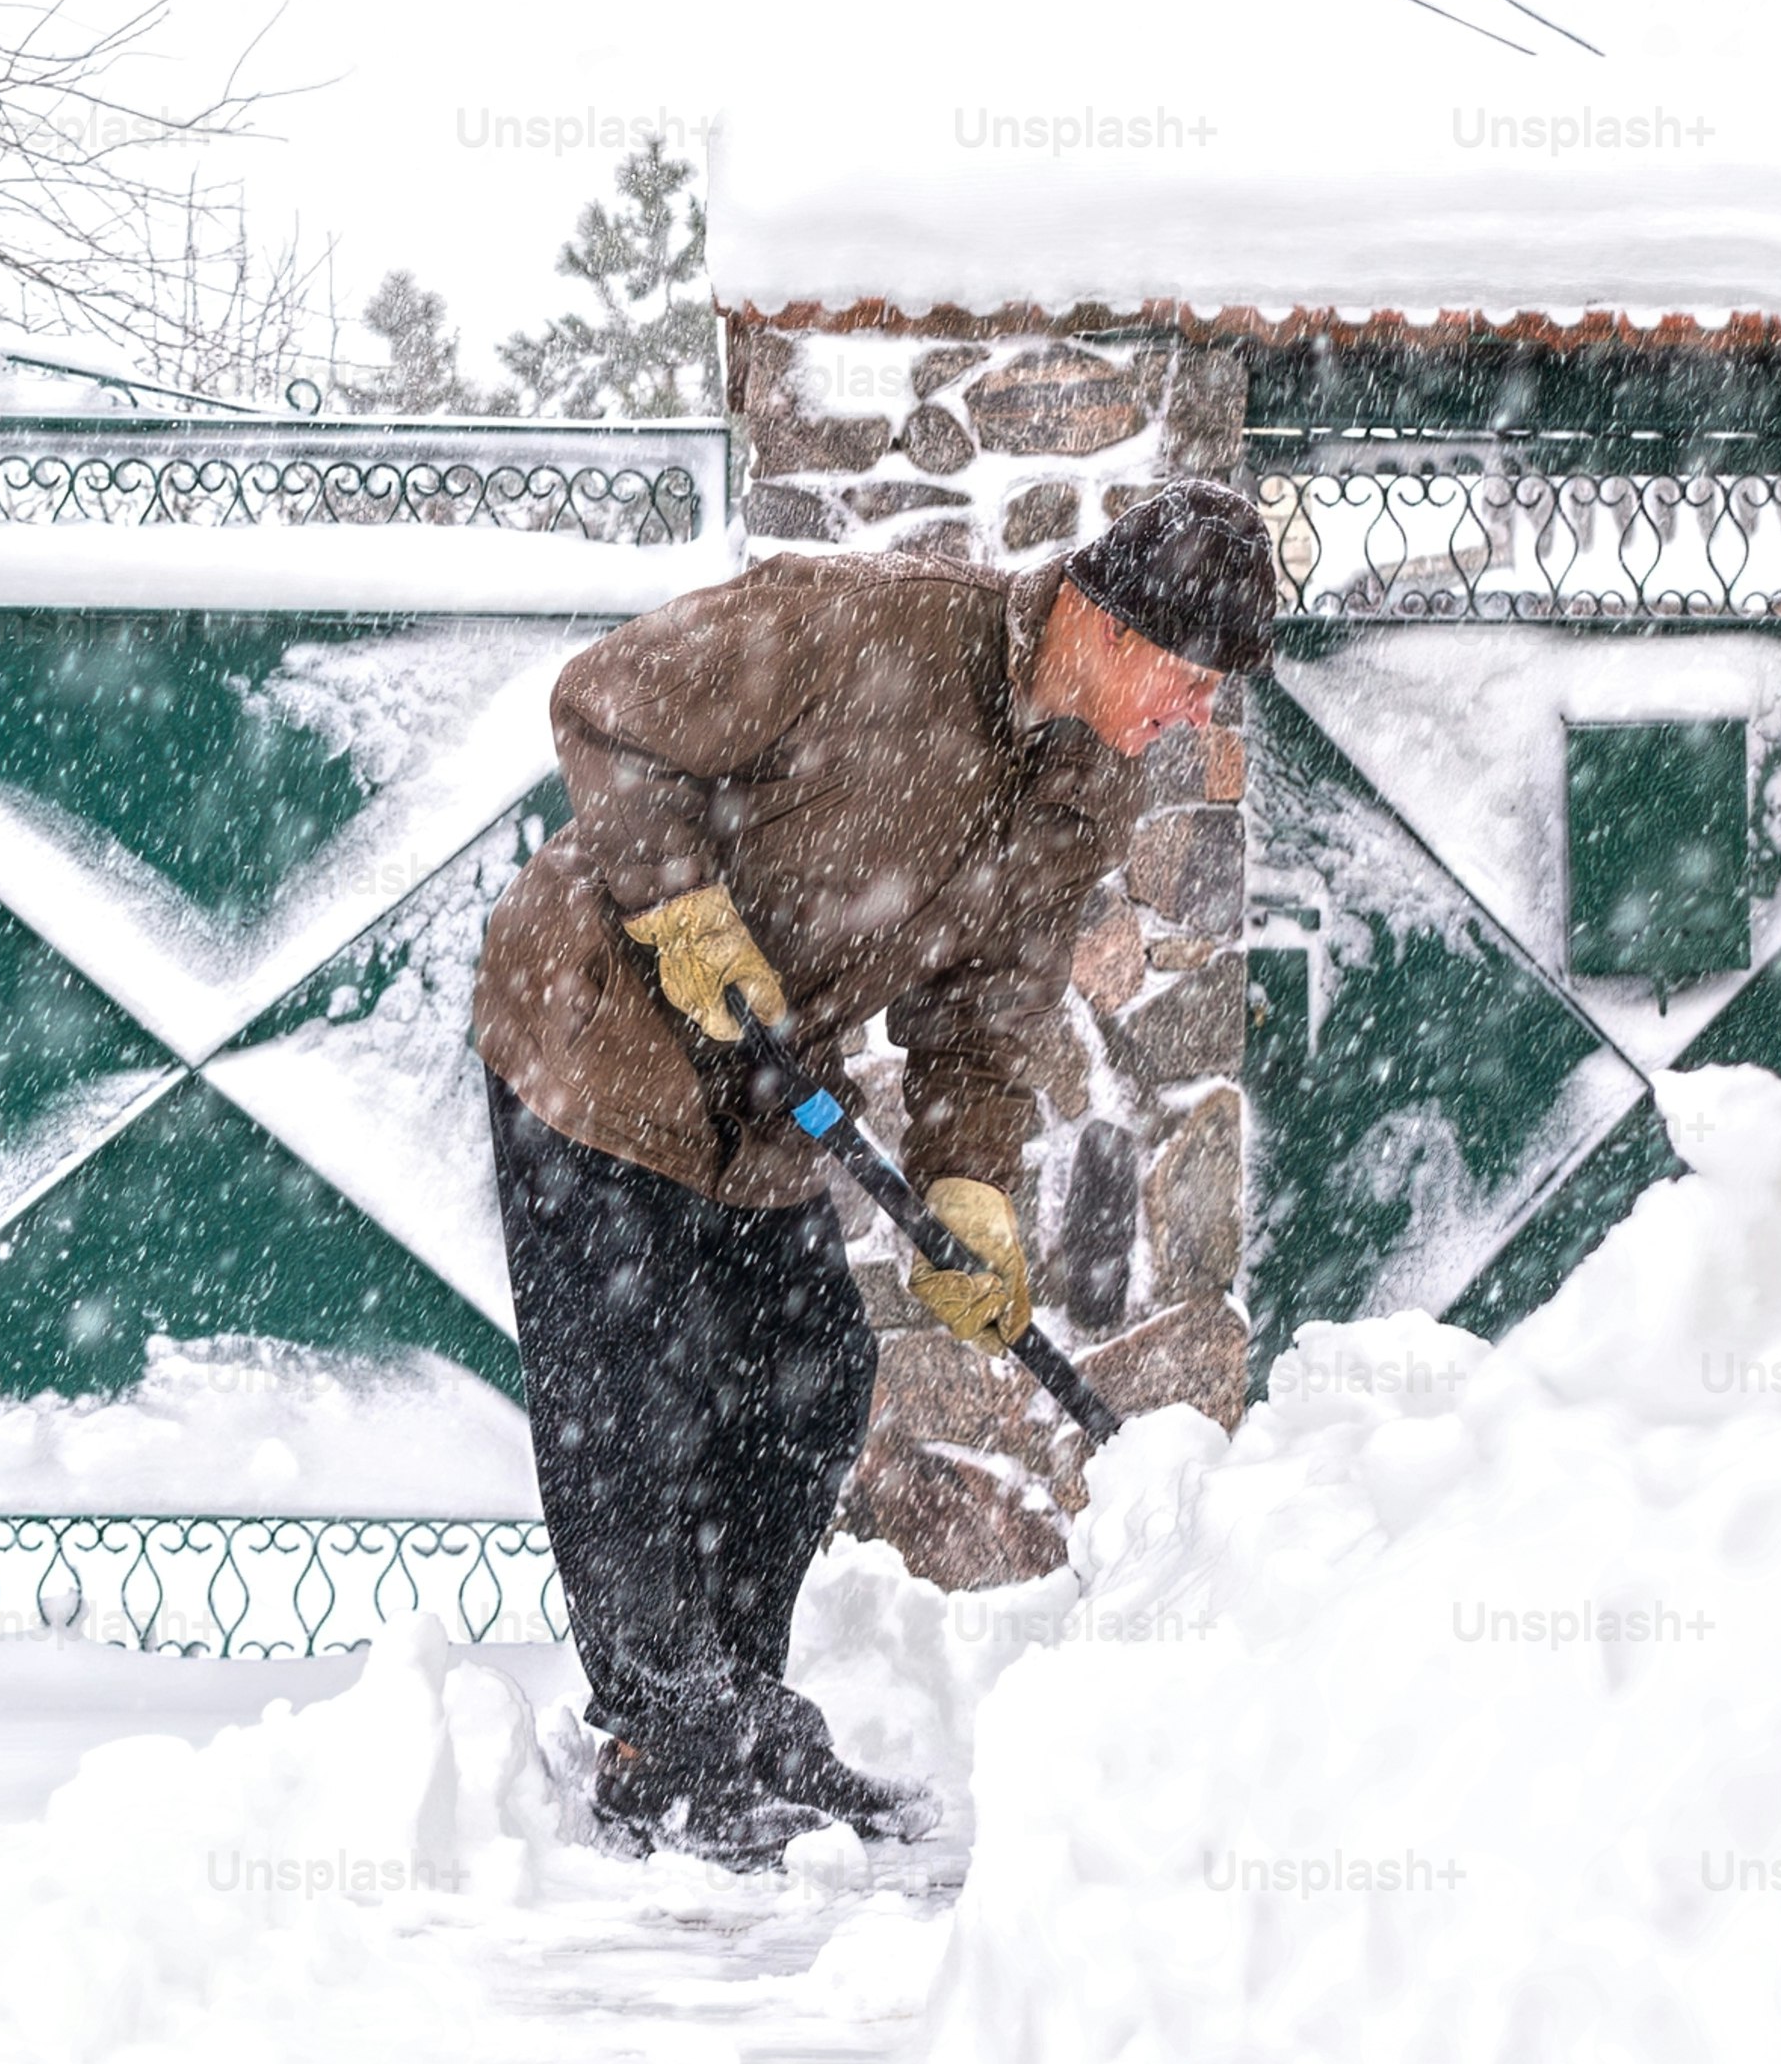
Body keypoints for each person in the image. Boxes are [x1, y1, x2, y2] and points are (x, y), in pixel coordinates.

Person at [469, 478, 1279, 1864]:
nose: (1194, 715)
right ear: (1107, 622)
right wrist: (678, 903)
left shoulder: (1089, 782)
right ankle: (662, 1744)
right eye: (1189, 678)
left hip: (763, 1071)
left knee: (810, 1369)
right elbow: (604, 701)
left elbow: (986, 1015)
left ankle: (735, 1709)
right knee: (631, 1394)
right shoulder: (865, 630)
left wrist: (967, 1186)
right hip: (593, 1032)